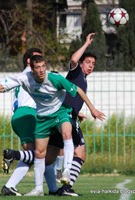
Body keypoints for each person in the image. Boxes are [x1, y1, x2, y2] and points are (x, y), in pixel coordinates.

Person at [0, 55, 105, 196]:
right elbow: (4, 87)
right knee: (40, 154)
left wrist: (92, 109)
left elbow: (77, 90)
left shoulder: (54, 78)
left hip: (60, 113)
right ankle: (39, 188)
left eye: (43, 66)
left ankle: (66, 172)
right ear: (32, 69)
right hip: (42, 116)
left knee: (67, 133)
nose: (41, 70)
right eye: (38, 67)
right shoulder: (24, 78)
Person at [1, 48, 62, 196]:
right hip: (29, 115)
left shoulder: (22, 76)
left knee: (40, 155)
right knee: (37, 154)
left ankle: (52, 189)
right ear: (29, 62)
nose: (40, 65)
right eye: (36, 60)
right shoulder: (30, 75)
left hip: (19, 116)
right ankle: (13, 158)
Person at [53, 32, 98, 195]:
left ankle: (63, 187)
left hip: (70, 116)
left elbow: (71, 96)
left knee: (48, 155)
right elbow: (72, 60)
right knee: (79, 153)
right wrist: (86, 44)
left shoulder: (83, 79)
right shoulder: (75, 71)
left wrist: (77, 113)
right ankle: (65, 187)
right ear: (81, 63)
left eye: (93, 63)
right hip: (64, 116)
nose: (91, 65)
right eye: (88, 62)